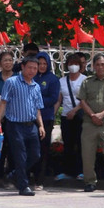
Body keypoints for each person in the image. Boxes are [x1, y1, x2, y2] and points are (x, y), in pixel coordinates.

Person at [0, 56, 45, 196]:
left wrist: (40, 126)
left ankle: (14, 174)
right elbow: (3, 103)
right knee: (20, 156)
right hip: (15, 125)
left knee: (35, 155)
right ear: (22, 67)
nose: (32, 71)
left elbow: (37, 109)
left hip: (31, 126)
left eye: (35, 68)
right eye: (29, 67)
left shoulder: (36, 86)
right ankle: (23, 186)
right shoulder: (12, 82)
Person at [78, 53, 104, 192]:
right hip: (90, 122)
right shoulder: (87, 82)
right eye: (97, 64)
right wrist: (93, 115)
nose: (100, 67)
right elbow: (82, 101)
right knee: (87, 153)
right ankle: (90, 182)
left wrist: (102, 114)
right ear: (93, 66)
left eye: (102, 64)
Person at [54, 53, 87, 181]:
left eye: (76, 64)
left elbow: (86, 99)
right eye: (71, 64)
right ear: (67, 65)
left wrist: (75, 110)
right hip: (65, 116)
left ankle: (81, 171)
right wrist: (53, 115)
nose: (73, 66)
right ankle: (67, 171)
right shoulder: (61, 81)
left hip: (80, 115)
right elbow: (59, 100)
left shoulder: (84, 80)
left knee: (80, 143)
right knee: (68, 144)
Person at [30, 52, 60, 190]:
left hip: (46, 118)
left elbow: (53, 98)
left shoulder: (53, 79)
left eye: (44, 64)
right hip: (29, 118)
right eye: (39, 63)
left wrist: (37, 101)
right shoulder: (30, 77)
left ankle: (39, 180)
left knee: (43, 150)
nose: (41, 66)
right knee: (30, 149)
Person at [0, 51, 15, 187]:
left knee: (13, 149)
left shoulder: (18, 78)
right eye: (5, 60)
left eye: (10, 60)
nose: (8, 63)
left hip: (14, 119)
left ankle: (11, 177)